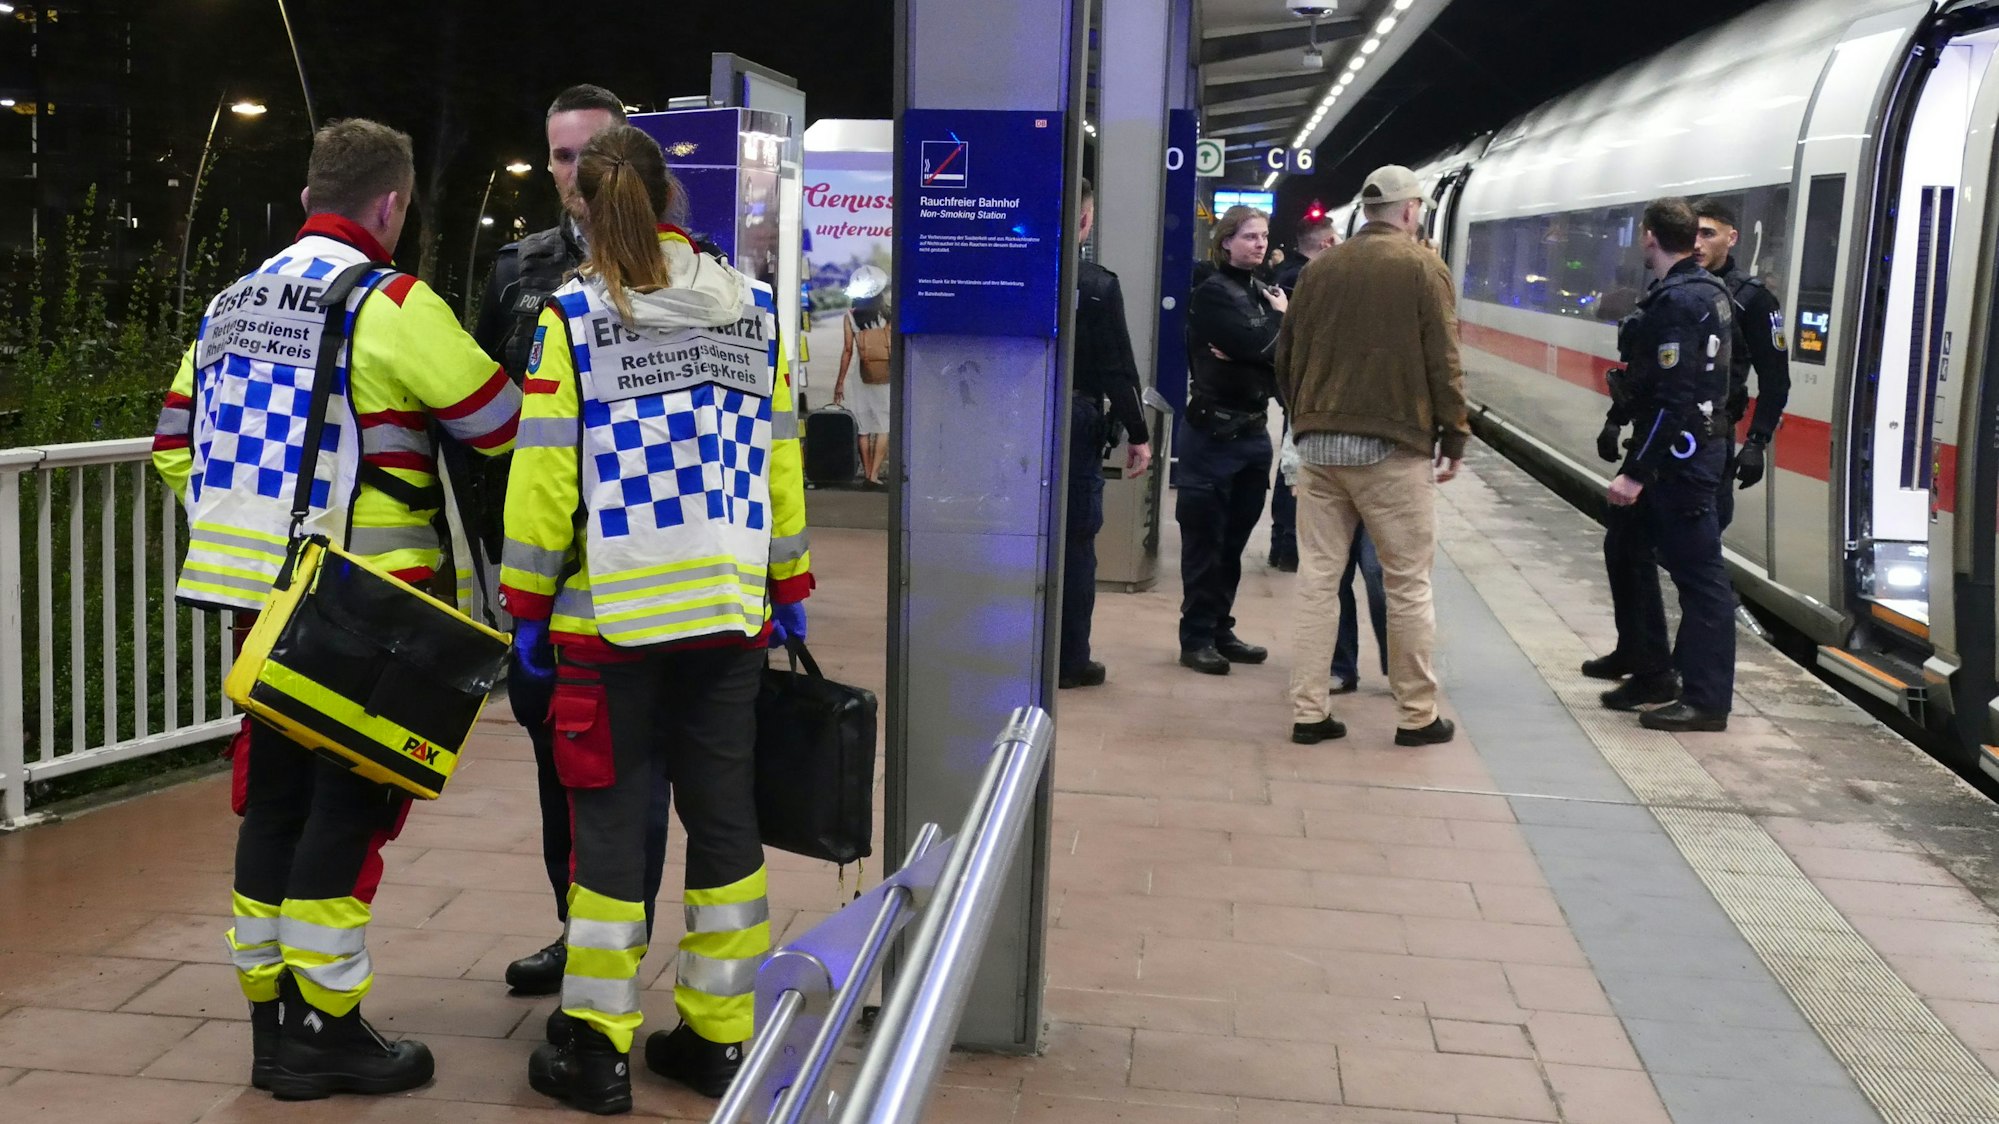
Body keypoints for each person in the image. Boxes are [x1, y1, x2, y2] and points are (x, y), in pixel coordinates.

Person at [151, 118, 522, 1097]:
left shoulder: (231, 303)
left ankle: (273, 1026)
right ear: (390, 204)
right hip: (367, 608)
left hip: (261, 605)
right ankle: (329, 1024)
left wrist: (251, 523)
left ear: (311, 193)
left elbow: (174, 445)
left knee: (274, 801)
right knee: (349, 809)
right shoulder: (393, 301)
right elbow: (499, 424)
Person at [501, 124, 812, 1112]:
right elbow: (781, 455)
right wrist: (788, 587)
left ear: (586, 210)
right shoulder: (753, 307)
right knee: (725, 822)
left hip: (612, 620)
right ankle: (717, 1039)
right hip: (728, 611)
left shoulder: (575, 316)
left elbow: (544, 471)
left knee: (608, 829)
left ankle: (595, 1048)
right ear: (670, 196)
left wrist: (525, 605)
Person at [471, 85, 676, 1000]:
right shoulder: (518, 274)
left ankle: (616, 942)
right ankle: (576, 930)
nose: (575, 173)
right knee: (561, 766)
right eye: (560, 156)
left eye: (590, 153)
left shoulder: (685, 273)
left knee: (642, 773)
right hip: (543, 574)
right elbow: (480, 417)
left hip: (645, 568)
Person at [1275, 165, 1467, 747]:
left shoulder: (1320, 268)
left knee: (1318, 579)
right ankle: (1417, 716)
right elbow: (1444, 358)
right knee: (1407, 583)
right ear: (1409, 211)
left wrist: (1306, 416)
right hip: (1391, 447)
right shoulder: (1421, 267)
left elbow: (1285, 356)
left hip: (1319, 446)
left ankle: (1309, 712)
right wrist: (1453, 434)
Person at [1589, 197, 1736, 732]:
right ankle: (1651, 670)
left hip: (1683, 460)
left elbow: (1676, 399)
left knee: (1700, 577)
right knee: (1626, 547)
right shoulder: (1703, 290)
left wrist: (1636, 473)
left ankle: (1707, 700)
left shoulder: (1679, 301)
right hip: (1677, 452)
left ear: (1648, 236)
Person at [1179, 205, 1284, 675]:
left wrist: (1259, 347)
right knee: (1206, 542)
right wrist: (1279, 324)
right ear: (1226, 242)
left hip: (1252, 435)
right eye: (1249, 236)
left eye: (1263, 236)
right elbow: (1264, 347)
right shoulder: (1212, 293)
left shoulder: (1261, 293)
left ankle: (1220, 629)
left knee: (1233, 544)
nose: (1260, 244)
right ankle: (1196, 638)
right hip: (1212, 437)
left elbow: (1278, 356)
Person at [1062, 177, 1154, 689]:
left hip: (1014, 418)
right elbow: (1118, 366)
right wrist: (1138, 433)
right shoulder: (1097, 286)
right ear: (1084, 221)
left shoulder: (1012, 272)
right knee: (1076, 540)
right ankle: (1070, 659)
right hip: (1077, 419)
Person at [1690, 197, 1791, 528]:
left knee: (1703, 532)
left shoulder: (1753, 299)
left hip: (1712, 439)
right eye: (1692, 234)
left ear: (1731, 237)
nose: (1697, 244)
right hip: (1665, 435)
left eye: (1708, 234)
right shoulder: (1672, 287)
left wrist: (1756, 442)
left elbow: (1775, 378)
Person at [1269, 216, 1340, 572]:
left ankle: (1280, 545)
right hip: (1307, 388)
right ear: (1326, 243)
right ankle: (1289, 546)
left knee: (1289, 464)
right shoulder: (1311, 279)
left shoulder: (1283, 274)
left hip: (1292, 387)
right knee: (1296, 469)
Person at [834, 265, 893, 489]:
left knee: (863, 427)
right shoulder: (888, 315)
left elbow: (848, 350)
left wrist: (840, 383)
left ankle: (867, 472)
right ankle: (873, 476)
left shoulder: (850, 316)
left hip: (861, 376)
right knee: (883, 426)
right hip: (885, 376)